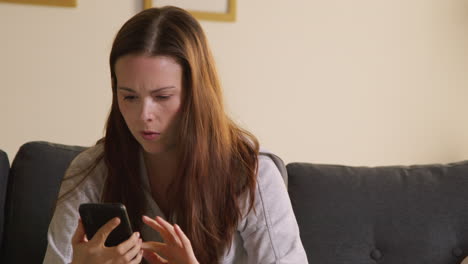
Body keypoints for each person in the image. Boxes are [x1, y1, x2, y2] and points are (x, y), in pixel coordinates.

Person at [43, 6, 308, 264]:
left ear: (197, 95)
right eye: (129, 97)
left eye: (163, 96)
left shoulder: (252, 174)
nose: (143, 114)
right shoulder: (91, 170)